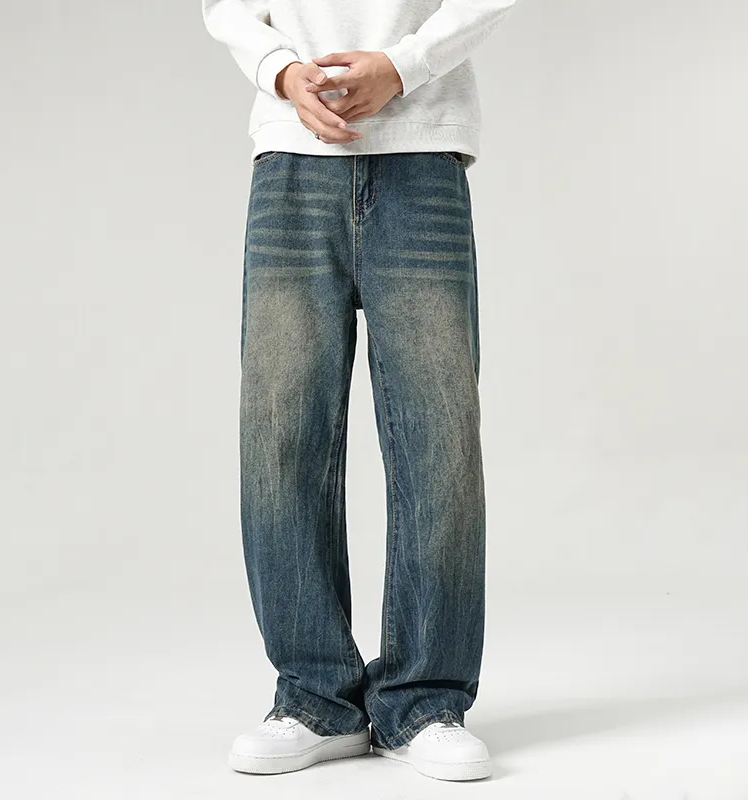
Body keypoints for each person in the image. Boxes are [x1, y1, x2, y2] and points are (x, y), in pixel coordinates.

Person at [201, 0, 519, 782]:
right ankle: (316, 700)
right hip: (292, 155)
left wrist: (404, 65)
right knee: (281, 436)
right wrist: (281, 72)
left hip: (422, 152)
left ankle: (426, 701)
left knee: (438, 439)